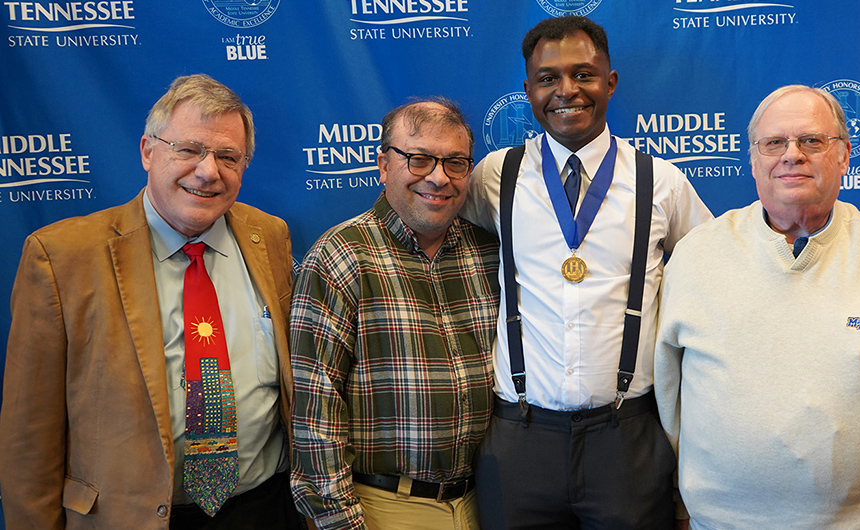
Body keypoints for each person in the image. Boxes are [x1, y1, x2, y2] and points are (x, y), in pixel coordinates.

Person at [655, 85, 860, 530]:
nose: (792, 155)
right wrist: (679, 509)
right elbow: (667, 400)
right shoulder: (696, 256)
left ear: (844, 156)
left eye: (812, 141)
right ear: (752, 160)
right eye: (774, 143)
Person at [0, 74, 303, 529]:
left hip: (264, 508)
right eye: (188, 149)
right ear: (147, 151)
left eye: (228, 157)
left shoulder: (269, 236)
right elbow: (29, 438)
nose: (208, 171)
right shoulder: (62, 257)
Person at [462, 15, 713, 530]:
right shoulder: (495, 175)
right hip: (519, 436)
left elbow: (713, 275)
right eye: (549, 78)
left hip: (626, 436)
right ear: (528, 90)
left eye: (584, 74)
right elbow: (432, 221)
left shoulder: (660, 182)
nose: (567, 91)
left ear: (610, 82)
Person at [288, 98, 500, 530]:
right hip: (385, 507)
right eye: (419, 159)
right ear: (384, 165)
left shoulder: (491, 253)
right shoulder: (341, 257)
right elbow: (316, 412)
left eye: (456, 163)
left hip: (491, 501)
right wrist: (341, 521)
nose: (439, 177)